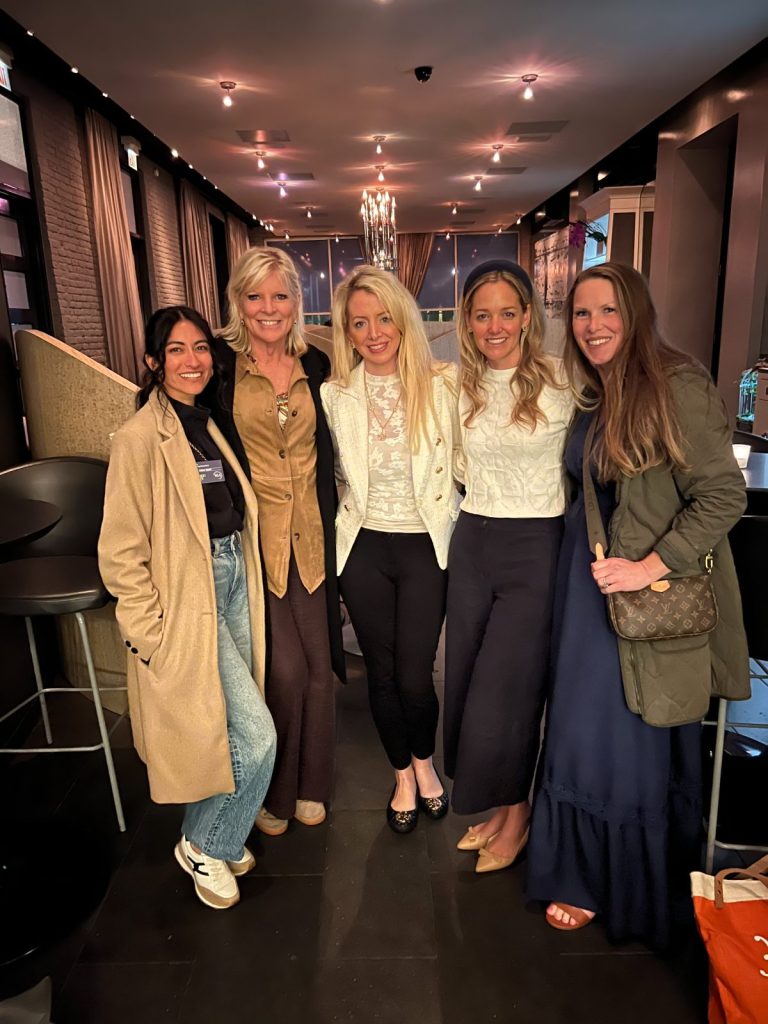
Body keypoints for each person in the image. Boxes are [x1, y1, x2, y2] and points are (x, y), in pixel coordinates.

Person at [527, 262, 749, 945]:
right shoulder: (598, 391)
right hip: (587, 589)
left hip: (641, 594)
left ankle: (601, 880)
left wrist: (649, 565)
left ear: (637, 314)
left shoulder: (677, 385)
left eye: (608, 311)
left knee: (618, 737)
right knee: (577, 729)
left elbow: (723, 496)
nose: (593, 326)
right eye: (582, 314)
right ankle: (580, 867)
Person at [98, 305, 276, 911]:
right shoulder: (139, 438)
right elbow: (120, 552)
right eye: (176, 350)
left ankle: (217, 835)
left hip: (229, 582)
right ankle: (205, 842)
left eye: (200, 347)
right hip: (185, 598)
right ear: (152, 362)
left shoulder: (207, 422)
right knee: (255, 737)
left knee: (229, 723)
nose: (192, 360)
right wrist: (149, 636)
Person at [444, 260, 574, 872]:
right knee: (468, 682)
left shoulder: (564, 384)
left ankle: (518, 813)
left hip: (535, 546)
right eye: (481, 313)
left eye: (506, 312)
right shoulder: (458, 387)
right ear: (467, 323)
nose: (494, 325)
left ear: (527, 316)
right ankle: (497, 806)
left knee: (509, 690)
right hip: (473, 540)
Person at [321, 266, 461, 833]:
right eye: (360, 323)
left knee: (414, 673)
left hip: (426, 541)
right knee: (380, 672)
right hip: (363, 546)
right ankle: (404, 774)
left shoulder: (445, 382)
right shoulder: (335, 395)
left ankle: (426, 762)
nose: (374, 332)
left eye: (383, 318)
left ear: (403, 319)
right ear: (347, 333)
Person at [210, 247, 344, 837]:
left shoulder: (316, 362)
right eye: (255, 296)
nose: (269, 308)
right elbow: (173, 409)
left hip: (313, 535)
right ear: (239, 301)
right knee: (285, 671)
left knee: (320, 669)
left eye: (281, 295)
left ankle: (313, 787)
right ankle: (274, 790)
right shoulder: (217, 364)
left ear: (296, 302)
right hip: (253, 540)